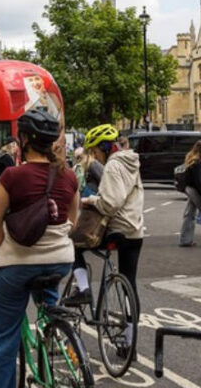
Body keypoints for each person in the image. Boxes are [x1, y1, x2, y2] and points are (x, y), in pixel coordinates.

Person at [0, 109, 77, 387]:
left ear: (25, 139)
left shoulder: (12, 176)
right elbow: (72, 221)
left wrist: (2, 244)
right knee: (47, 303)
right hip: (60, 261)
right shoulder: (68, 177)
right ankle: (51, 333)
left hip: (19, 264)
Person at [67, 128, 144, 306]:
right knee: (129, 285)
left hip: (117, 230)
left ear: (102, 148)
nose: (95, 156)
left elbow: (111, 203)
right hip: (135, 231)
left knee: (73, 244)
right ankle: (129, 333)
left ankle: (84, 289)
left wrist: (91, 200)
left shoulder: (112, 165)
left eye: (94, 151)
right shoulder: (131, 162)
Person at [178, 139, 201, 247]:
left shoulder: (193, 160)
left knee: (189, 214)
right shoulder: (198, 163)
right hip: (195, 190)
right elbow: (199, 181)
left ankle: (185, 240)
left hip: (190, 188)